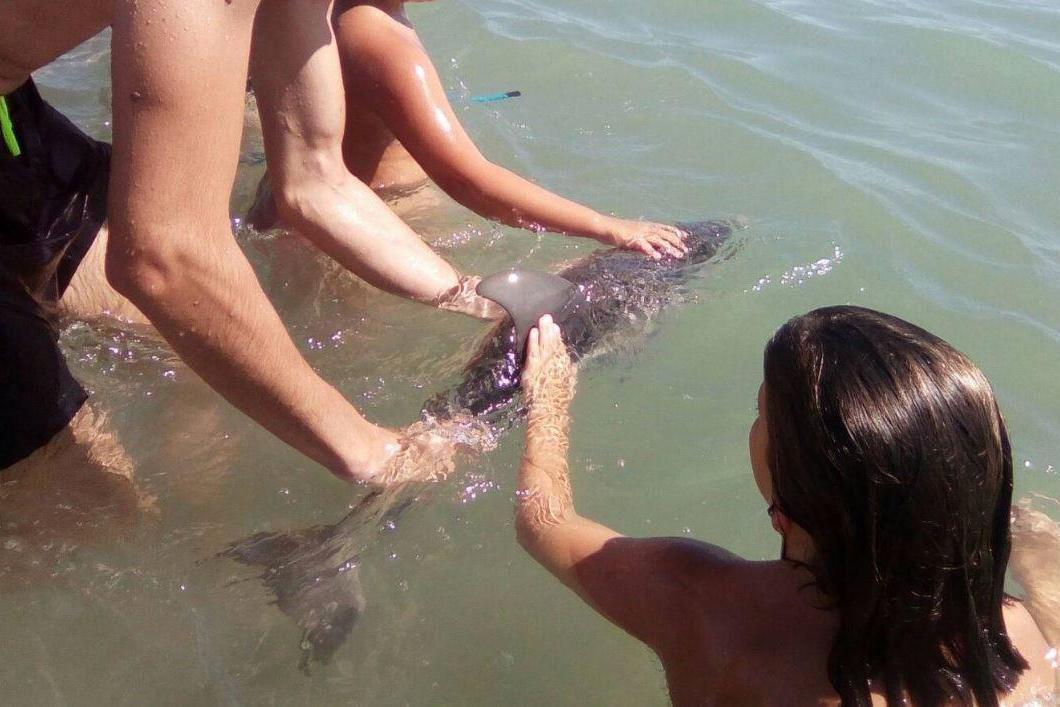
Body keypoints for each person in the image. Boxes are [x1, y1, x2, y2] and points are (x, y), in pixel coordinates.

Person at [0, 0, 493, 487]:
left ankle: (197, 506)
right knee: (90, 502)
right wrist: (368, 451)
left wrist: (473, 296)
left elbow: (315, 182)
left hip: (14, 113)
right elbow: (164, 260)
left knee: (178, 344)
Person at [516, 308, 1058, 705]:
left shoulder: (703, 605)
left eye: (761, 413)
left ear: (793, 487)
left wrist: (548, 401)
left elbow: (544, 522)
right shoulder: (1030, 636)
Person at [248, 0, 688, 261]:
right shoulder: (380, 40)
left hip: (301, 212)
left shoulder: (321, 16)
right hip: (345, 230)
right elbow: (470, 181)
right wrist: (607, 226)